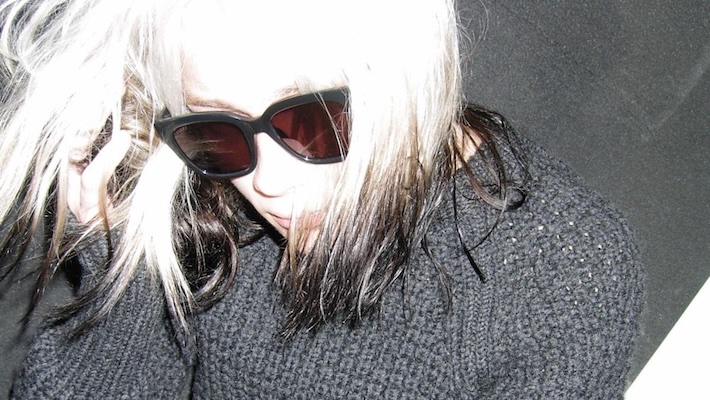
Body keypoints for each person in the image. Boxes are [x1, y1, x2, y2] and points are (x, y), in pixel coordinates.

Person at [0, 0, 644, 398]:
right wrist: (125, 272)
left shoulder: (561, 277)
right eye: (217, 129)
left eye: (309, 123)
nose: (266, 183)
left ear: (405, 80)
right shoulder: (211, 192)